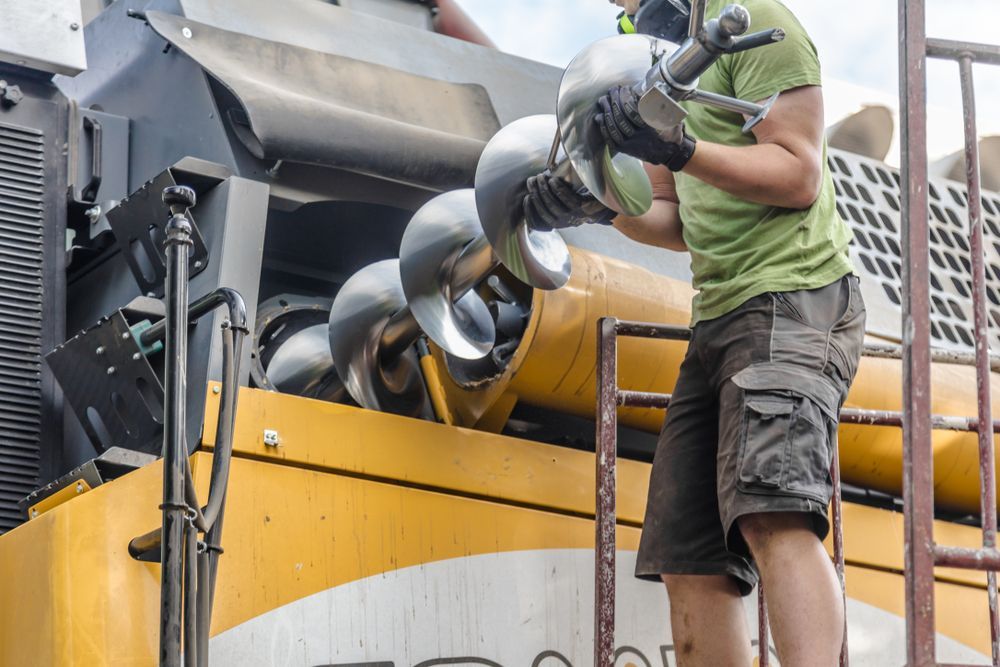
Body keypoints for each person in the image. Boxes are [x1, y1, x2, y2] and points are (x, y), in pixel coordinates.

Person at [523, 1, 866, 665]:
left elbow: (798, 172)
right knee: (688, 555)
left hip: (794, 295)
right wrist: (595, 203)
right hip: (718, 315)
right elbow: (670, 216)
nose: (618, 6)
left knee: (773, 510)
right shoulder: (663, 62)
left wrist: (681, 146)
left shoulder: (757, 18)